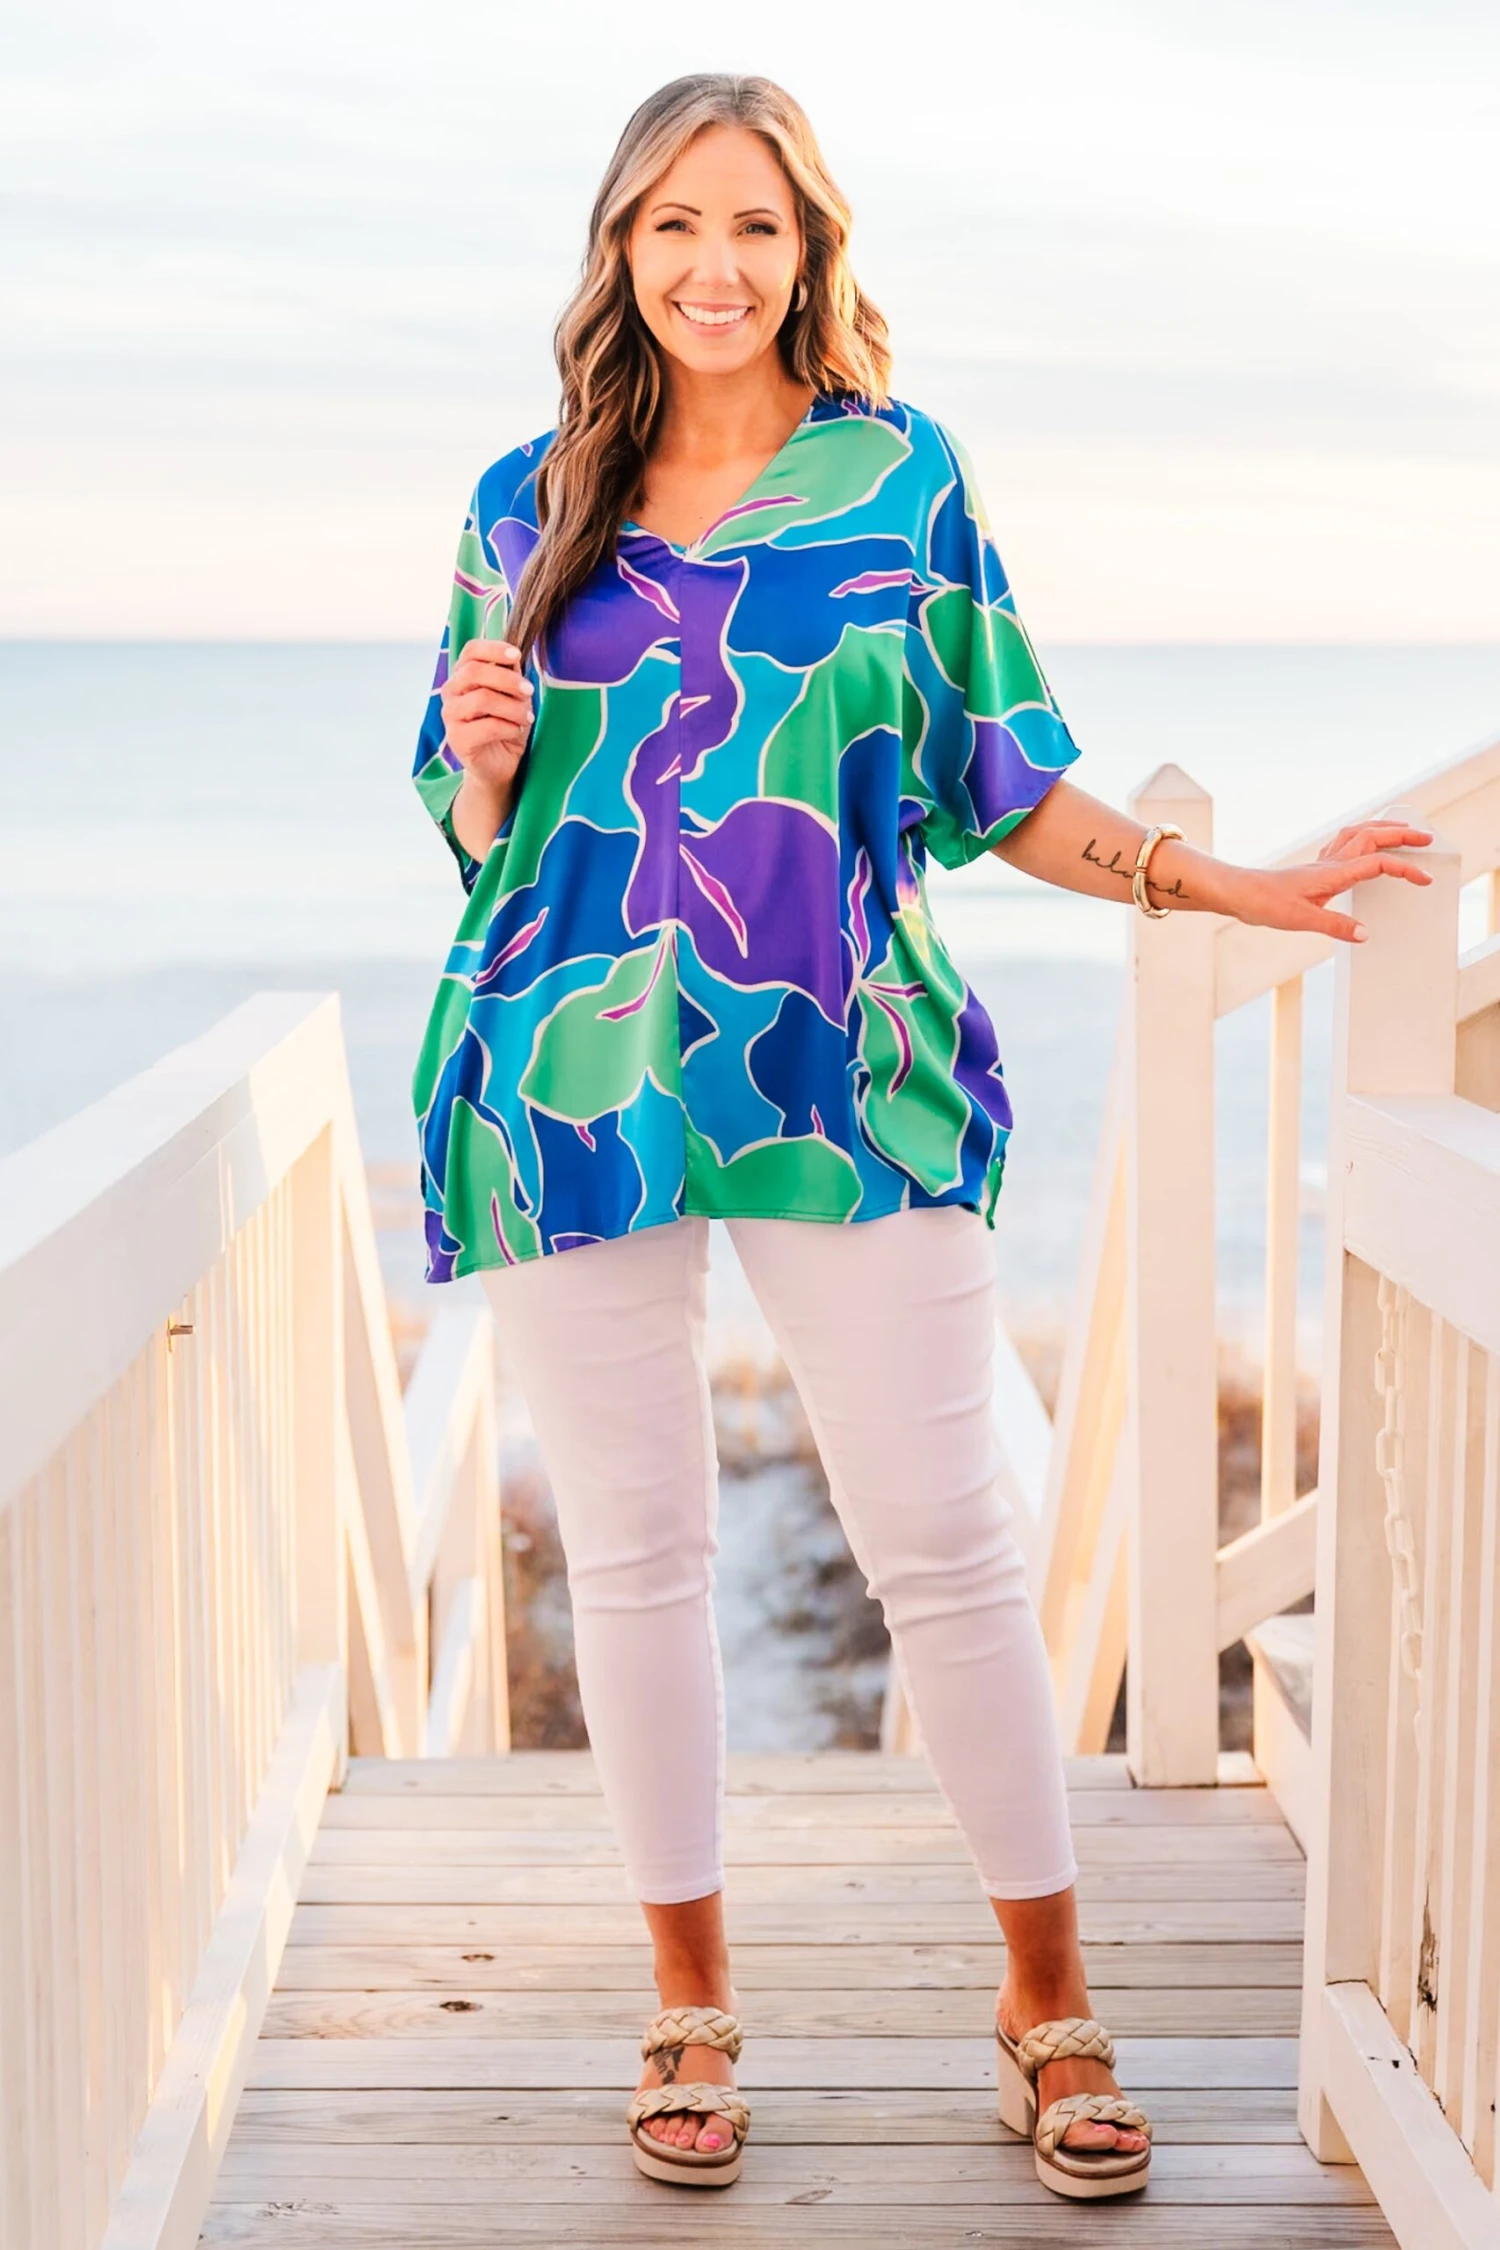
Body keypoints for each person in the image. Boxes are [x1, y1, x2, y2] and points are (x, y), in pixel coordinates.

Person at [409, 72, 1431, 2201]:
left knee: (949, 1548)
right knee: (638, 1556)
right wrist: (486, 762)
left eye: (752, 225)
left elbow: (1003, 775)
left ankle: (1046, 2000)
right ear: (618, 248)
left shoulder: (900, 478)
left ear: (809, 250)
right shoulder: (526, 496)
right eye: (671, 224)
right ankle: (690, 2000)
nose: (711, 265)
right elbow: (482, 828)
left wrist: (1228, 882)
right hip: (568, 1080)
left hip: (842, 1073)